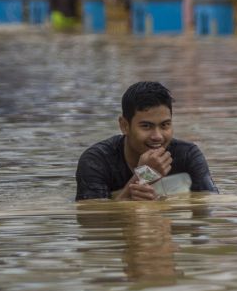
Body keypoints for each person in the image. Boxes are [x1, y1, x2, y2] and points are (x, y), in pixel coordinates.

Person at [75, 81, 218, 202]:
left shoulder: (188, 156)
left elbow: (210, 202)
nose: (157, 136)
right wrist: (145, 175)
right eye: (146, 126)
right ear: (124, 126)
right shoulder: (97, 161)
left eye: (165, 125)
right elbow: (93, 219)